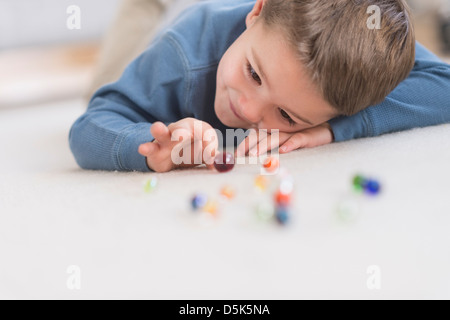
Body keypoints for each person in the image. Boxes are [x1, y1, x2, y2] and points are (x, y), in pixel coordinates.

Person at [70, 0, 450, 173]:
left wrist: (334, 128)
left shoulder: (361, 49)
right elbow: (90, 125)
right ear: (257, 11)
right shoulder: (181, 59)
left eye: (286, 114)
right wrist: (149, 146)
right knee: (106, 80)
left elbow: (443, 84)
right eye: (254, 74)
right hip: (157, 55)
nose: (249, 112)